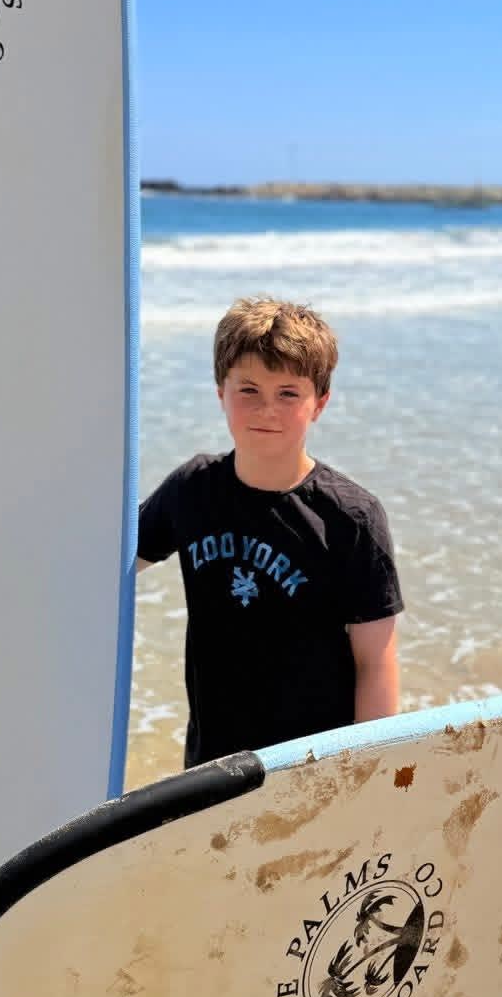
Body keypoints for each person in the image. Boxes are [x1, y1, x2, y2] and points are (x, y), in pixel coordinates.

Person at [137, 295, 403, 767]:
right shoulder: (192, 489)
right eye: (249, 390)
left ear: (319, 403)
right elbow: (106, 567)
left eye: (288, 394)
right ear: (221, 392)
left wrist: (366, 775)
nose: (267, 409)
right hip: (212, 764)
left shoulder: (350, 517)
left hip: (310, 764)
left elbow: (375, 663)